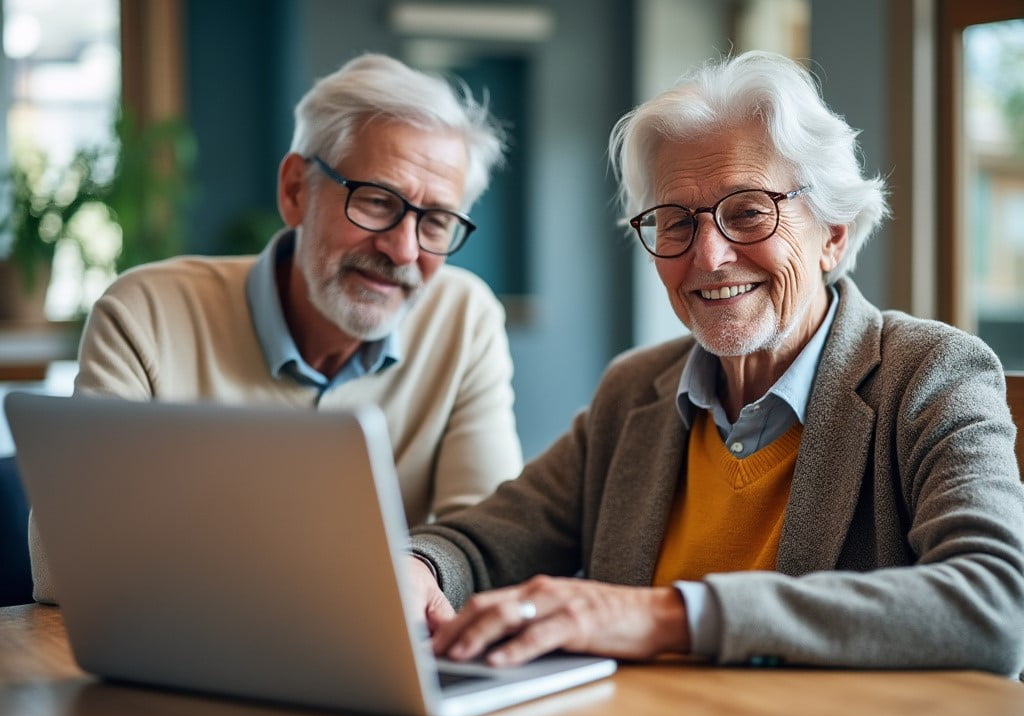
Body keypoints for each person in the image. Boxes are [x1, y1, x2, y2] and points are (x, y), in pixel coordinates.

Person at [406, 51, 1024, 675]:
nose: (708, 256)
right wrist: (418, 568)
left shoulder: (928, 372)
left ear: (833, 233)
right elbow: (487, 539)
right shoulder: (634, 391)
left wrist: (664, 616)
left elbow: (994, 605)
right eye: (674, 222)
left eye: (750, 211)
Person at [29, 53, 524, 603]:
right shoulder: (144, 313)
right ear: (296, 191)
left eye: (434, 221)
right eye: (379, 201)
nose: (403, 249)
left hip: (372, 663)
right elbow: (62, 567)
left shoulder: (465, 319)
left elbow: (488, 549)